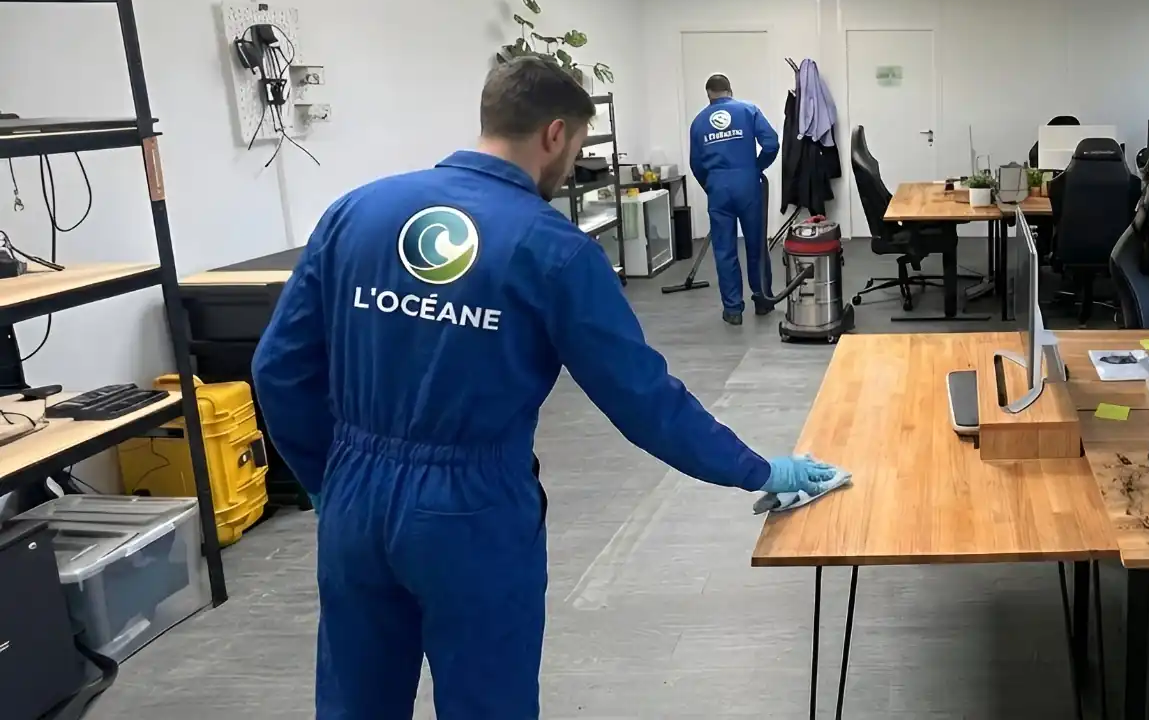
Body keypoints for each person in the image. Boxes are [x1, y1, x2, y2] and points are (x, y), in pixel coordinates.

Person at [252, 57, 839, 720]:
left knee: (355, 704)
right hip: (469, 512)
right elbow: (644, 400)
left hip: (354, 501)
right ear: (556, 135)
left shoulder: (355, 211)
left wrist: (329, 482)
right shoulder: (553, 249)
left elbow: (278, 369)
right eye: (580, 146)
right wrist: (758, 469)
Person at [688, 73, 780, 325]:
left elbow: (695, 163)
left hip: (718, 188)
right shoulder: (748, 110)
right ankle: (762, 300)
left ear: (708, 95)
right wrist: (755, 167)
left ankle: (733, 311)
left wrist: (711, 185)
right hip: (748, 184)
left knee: (724, 250)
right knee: (756, 245)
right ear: (730, 90)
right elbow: (771, 143)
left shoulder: (698, 122)